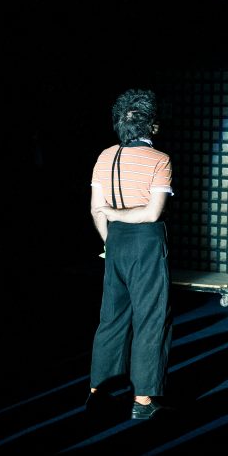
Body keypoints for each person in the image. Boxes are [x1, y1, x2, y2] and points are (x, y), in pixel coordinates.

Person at [86, 88, 175, 420]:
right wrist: (120, 214)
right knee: (151, 318)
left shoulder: (105, 156)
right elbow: (152, 213)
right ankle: (143, 401)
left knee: (112, 318)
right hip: (146, 242)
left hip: (115, 242)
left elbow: (96, 210)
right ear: (151, 124)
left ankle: (98, 393)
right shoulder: (159, 160)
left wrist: (110, 240)